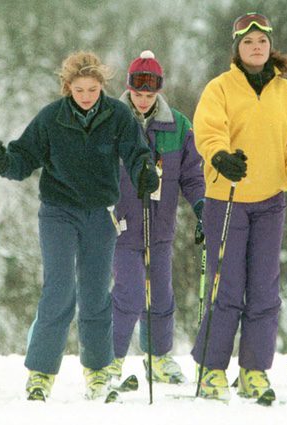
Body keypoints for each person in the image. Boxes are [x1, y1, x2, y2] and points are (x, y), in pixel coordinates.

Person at [0, 51, 159, 401]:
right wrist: (4, 160)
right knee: (59, 289)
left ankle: (97, 371)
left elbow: (137, 152)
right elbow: (23, 158)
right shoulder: (51, 117)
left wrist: (145, 172)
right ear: (67, 87)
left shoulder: (117, 114)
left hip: (99, 212)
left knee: (95, 294)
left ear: (102, 87)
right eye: (79, 89)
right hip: (58, 211)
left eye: (92, 89)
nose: (86, 96)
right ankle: (41, 374)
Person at [191, 12, 287, 401]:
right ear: (237, 48)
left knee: (264, 289)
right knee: (225, 287)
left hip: (269, 200)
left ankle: (254, 370)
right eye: (248, 42)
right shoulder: (221, 88)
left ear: (270, 46)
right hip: (226, 198)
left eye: (261, 41)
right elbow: (208, 130)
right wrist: (220, 156)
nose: (255, 47)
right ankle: (211, 369)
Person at [106, 50, 205, 385]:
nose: (144, 100)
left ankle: (158, 357)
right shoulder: (112, 122)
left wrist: (203, 206)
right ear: (128, 89)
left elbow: (192, 175)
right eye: (138, 94)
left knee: (161, 295)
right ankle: (111, 359)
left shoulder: (177, 126)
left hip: (160, 228)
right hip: (121, 228)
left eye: (150, 95)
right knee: (129, 294)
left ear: (158, 92)